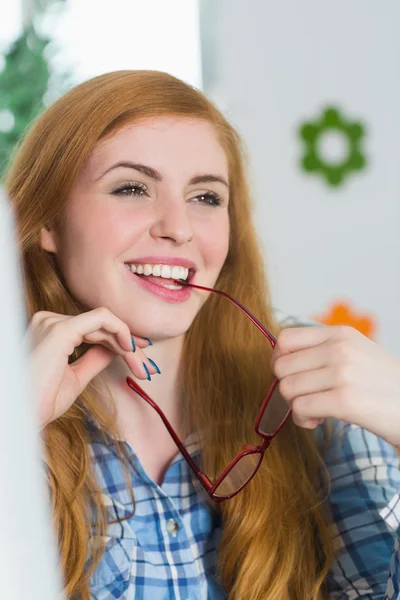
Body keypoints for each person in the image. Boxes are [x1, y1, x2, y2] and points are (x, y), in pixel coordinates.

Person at [4, 70, 400, 600]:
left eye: (207, 197)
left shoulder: (316, 386)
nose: (180, 227)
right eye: (132, 188)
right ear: (49, 221)